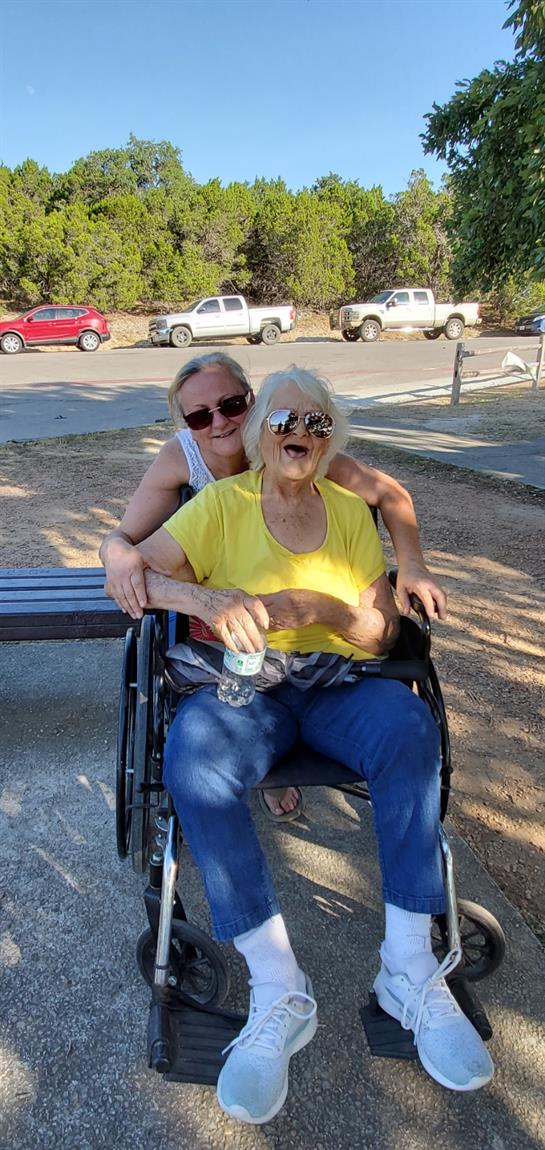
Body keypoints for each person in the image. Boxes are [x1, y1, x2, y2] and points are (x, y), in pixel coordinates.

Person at [131, 366, 493, 1125]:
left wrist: (312, 605)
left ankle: (409, 968)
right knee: (192, 758)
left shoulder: (347, 510)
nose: (299, 433)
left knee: (406, 726)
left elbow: (379, 632)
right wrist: (204, 596)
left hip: (336, 684)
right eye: (283, 420)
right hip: (244, 690)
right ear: (260, 431)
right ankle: (277, 987)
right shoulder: (220, 505)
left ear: (330, 436)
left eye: (316, 423)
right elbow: (135, 575)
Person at [100, 352, 447, 820]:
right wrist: (121, 557)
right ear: (188, 422)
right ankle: (261, 757)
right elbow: (125, 542)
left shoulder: (299, 440)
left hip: (305, 638)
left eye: (231, 405)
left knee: (399, 723)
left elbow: (389, 494)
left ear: (254, 402)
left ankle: (272, 752)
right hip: (226, 614)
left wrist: (412, 564)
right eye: (200, 416)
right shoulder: (185, 461)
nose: (219, 423)